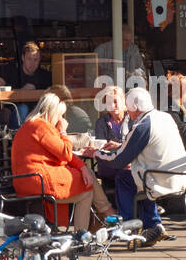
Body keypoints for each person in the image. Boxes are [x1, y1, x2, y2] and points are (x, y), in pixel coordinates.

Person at [95, 87, 186, 248]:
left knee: (124, 177)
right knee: (136, 176)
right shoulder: (165, 117)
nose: (128, 113)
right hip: (182, 176)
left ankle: (129, 228)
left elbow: (119, 160)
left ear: (135, 107)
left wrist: (96, 153)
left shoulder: (143, 125)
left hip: (161, 179)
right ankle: (153, 224)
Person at [11, 92, 115, 231]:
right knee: (87, 189)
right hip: (38, 180)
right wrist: (63, 132)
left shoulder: (31, 126)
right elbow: (65, 153)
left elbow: (63, 153)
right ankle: (88, 231)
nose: (61, 119)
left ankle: (105, 215)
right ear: (52, 112)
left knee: (87, 175)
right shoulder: (41, 127)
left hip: (28, 179)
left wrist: (83, 167)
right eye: (60, 115)